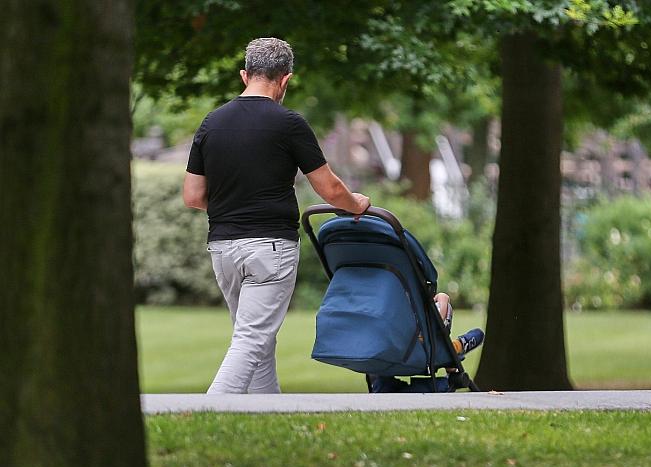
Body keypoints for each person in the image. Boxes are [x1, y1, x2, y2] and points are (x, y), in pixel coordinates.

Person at [182, 37, 370, 394]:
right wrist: (357, 205)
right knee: (252, 340)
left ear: (244, 75)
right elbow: (329, 189)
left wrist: (233, 204)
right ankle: (207, 412)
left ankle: (267, 413)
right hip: (269, 249)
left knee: (258, 341)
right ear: (286, 80)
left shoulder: (211, 123)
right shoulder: (289, 124)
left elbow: (192, 196)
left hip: (223, 249)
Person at [367, 292, 484, 393]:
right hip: (417, 351)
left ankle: (452, 352)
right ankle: (453, 351)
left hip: (376, 355)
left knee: (383, 388)